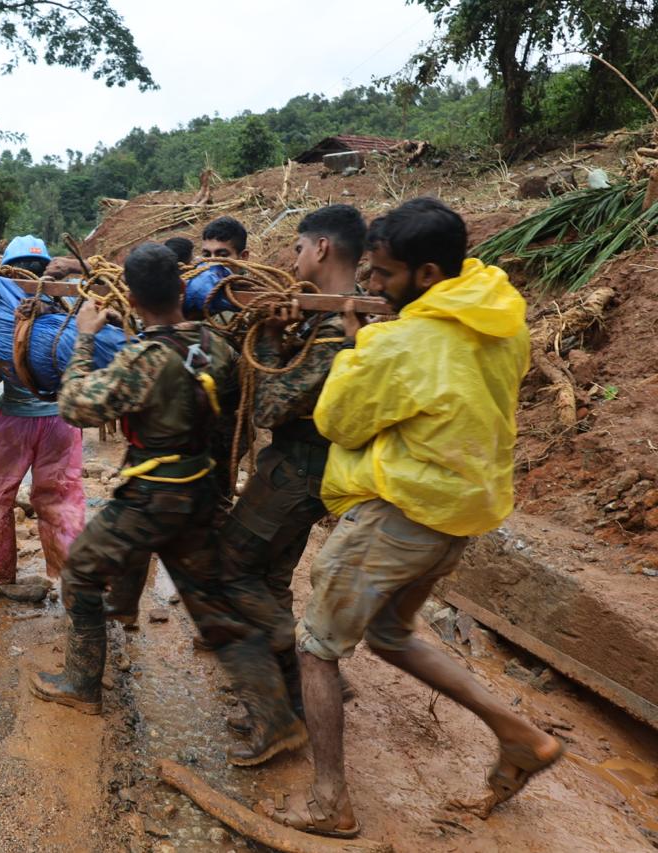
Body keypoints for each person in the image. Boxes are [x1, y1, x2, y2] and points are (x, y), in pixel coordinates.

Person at [259, 197, 561, 838]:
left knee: (315, 649)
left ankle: (328, 802)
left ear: (426, 275)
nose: (372, 286)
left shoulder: (402, 342)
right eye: (367, 273)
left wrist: (355, 348)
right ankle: (520, 734)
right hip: (458, 513)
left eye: (385, 275)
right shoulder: (500, 316)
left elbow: (336, 420)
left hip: (397, 513)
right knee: (392, 633)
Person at [30, 243, 301, 745]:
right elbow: (230, 422)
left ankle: (81, 683)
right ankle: (277, 720)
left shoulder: (143, 359)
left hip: (152, 496)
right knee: (212, 609)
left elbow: (74, 405)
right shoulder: (216, 345)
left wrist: (86, 340)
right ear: (181, 288)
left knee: (82, 572)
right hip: (197, 492)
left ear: (130, 299)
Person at [209, 205, 366, 762]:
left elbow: (273, 406)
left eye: (298, 248)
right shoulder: (348, 316)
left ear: (322, 249)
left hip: (298, 469)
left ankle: (283, 710)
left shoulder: (331, 333)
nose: (292, 259)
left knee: (231, 567)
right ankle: (300, 692)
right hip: (314, 471)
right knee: (271, 574)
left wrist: (271, 338)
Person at [0, 235, 86, 591]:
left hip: (10, 421)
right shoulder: (69, 301)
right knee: (62, 498)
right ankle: (75, 582)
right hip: (61, 422)